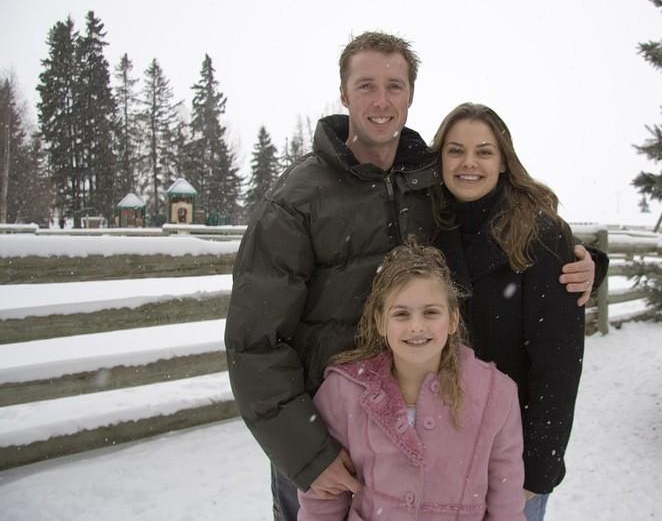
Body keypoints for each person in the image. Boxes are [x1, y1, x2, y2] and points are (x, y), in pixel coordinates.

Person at [224, 31, 601, 521]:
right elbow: (253, 343)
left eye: (395, 86)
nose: (381, 101)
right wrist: (305, 452)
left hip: (425, 432)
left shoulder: (425, 184)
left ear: (411, 95)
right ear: (343, 93)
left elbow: (505, 227)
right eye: (366, 86)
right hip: (327, 433)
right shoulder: (297, 202)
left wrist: (587, 263)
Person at [432, 103, 596, 520]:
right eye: (456, 150)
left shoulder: (539, 235)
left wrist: (538, 470)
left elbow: (557, 365)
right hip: (436, 452)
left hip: (510, 455)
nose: (469, 163)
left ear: (504, 160)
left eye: (484, 151)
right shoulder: (425, 225)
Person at [297, 241, 526, 520]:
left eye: (431, 312)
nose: (416, 326)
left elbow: (506, 502)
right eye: (402, 314)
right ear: (381, 322)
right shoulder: (343, 391)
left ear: (453, 320)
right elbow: (324, 500)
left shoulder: (496, 394)